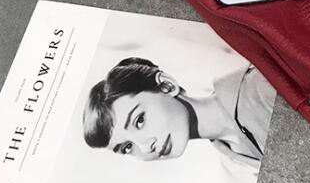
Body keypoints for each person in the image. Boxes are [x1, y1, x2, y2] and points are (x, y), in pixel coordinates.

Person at [83, 56, 274, 168]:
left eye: (139, 121)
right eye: (127, 147)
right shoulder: (233, 165)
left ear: (166, 86)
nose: (145, 147)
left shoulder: (262, 88)